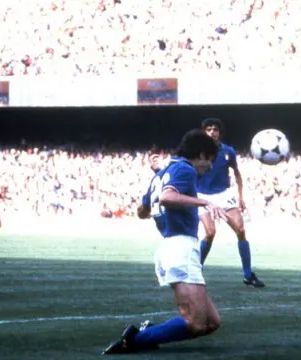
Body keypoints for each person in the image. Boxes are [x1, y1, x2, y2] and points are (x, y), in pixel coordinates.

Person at [102, 129, 227, 354]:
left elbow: (141, 211)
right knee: (196, 323)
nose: (209, 167)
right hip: (180, 248)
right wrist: (205, 202)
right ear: (200, 155)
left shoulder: (161, 174)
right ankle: (136, 339)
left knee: (212, 322)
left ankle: (149, 332)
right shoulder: (185, 169)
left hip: (173, 247)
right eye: (209, 160)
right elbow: (167, 198)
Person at [197, 118, 265, 288]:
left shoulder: (228, 151)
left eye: (215, 129)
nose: (212, 132)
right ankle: (195, 270)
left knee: (241, 230)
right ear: (204, 132)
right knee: (210, 233)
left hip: (224, 194)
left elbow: (237, 173)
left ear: (220, 132)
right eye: (209, 129)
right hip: (203, 196)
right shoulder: (197, 150)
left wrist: (240, 197)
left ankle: (248, 275)